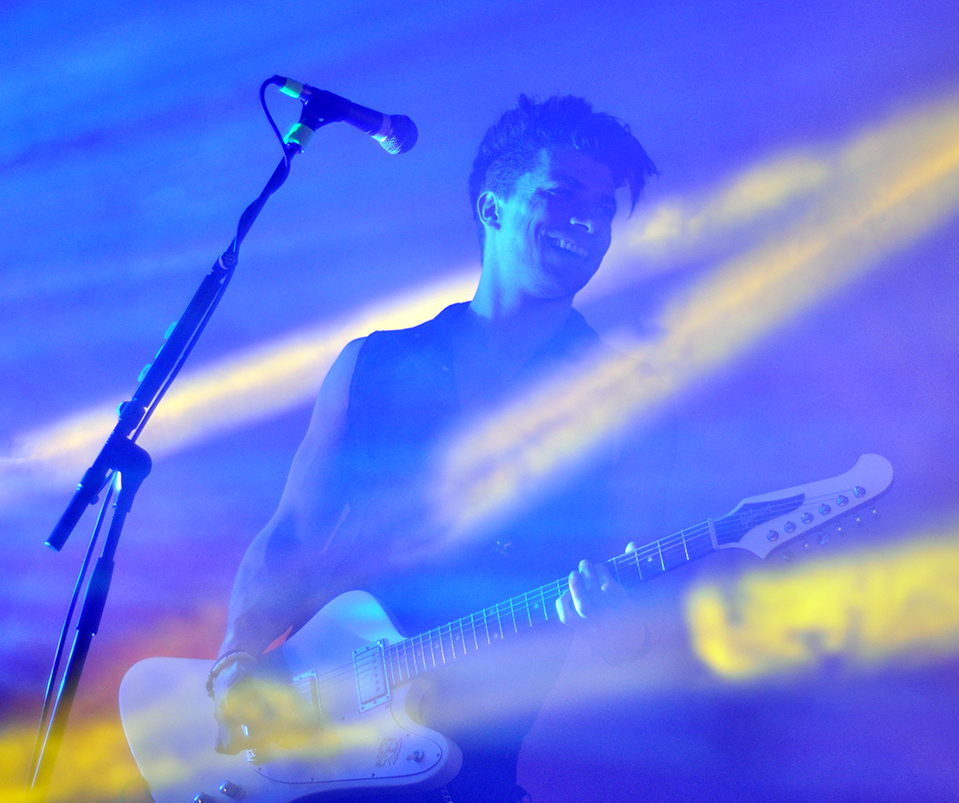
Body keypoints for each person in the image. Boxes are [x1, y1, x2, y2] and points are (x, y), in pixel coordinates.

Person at [209, 95, 668, 803]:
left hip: (468, 772)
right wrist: (237, 655)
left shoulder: (621, 399)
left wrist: (621, 627)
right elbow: (293, 535)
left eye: (604, 210)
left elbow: (642, 634)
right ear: (491, 207)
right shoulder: (372, 363)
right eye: (563, 195)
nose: (589, 222)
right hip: (310, 750)